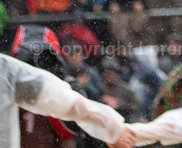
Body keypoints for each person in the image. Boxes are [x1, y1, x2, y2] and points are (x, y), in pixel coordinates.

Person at [0, 53, 134, 148]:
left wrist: (111, 128)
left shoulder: (6, 71)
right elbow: (70, 103)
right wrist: (111, 129)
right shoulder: (7, 71)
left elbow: (70, 104)